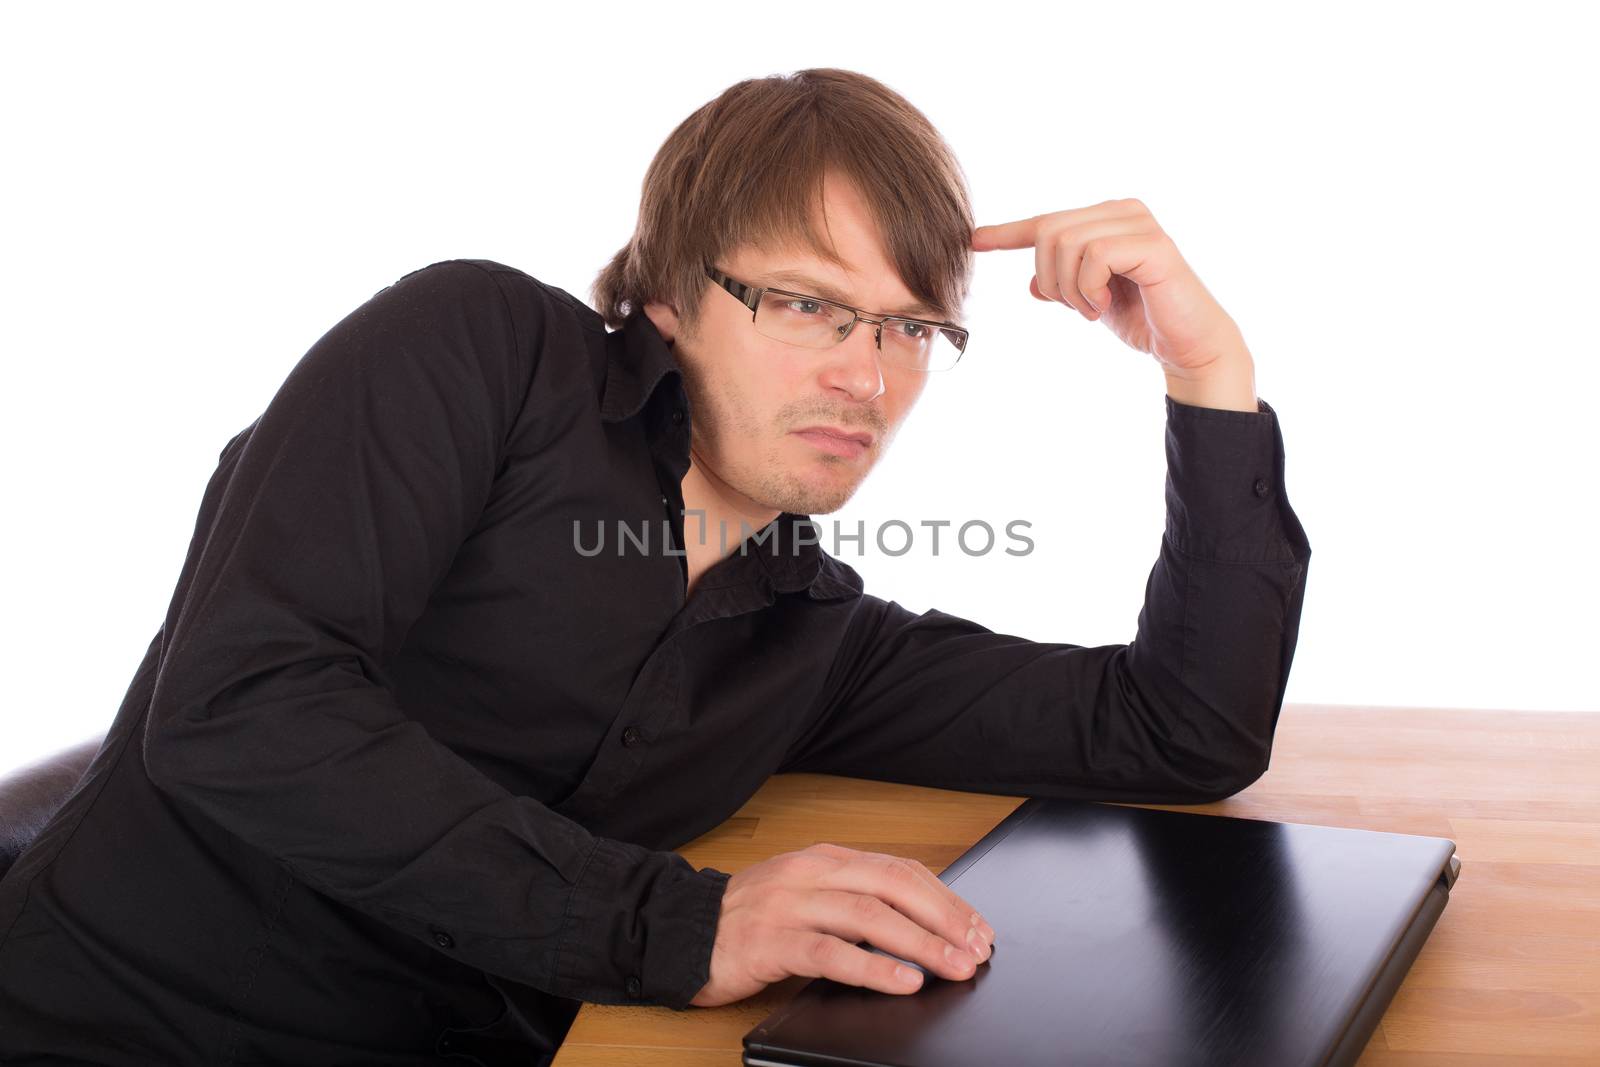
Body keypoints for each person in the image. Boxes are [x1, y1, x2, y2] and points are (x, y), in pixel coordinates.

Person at [0, 67, 1310, 1065]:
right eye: (805, 304)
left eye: (913, 327)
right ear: (674, 295)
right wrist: (680, 926)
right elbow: (245, 706)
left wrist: (1210, 375)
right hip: (106, 1025)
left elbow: (1183, 732)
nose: (867, 373)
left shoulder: (812, 633)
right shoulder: (480, 350)